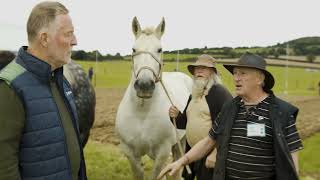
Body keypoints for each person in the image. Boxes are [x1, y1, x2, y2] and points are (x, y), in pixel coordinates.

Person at [159, 52, 303, 180]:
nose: (236, 78)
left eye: (243, 73)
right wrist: (181, 161)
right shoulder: (230, 108)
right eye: (235, 73)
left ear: (259, 79)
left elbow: (291, 160)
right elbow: (209, 140)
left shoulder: (282, 112)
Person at [0, 2, 87, 180]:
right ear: (45, 38)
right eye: (68, 34)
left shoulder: (60, 80)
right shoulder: (10, 87)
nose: (75, 41)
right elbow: (4, 166)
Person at [169, 54, 232, 180]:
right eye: (197, 68)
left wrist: (216, 153)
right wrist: (175, 116)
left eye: (204, 68)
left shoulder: (219, 92)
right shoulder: (194, 95)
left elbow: (229, 125)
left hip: (210, 154)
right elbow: (184, 123)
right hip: (192, 153)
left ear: (212, 72)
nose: (199, 71)